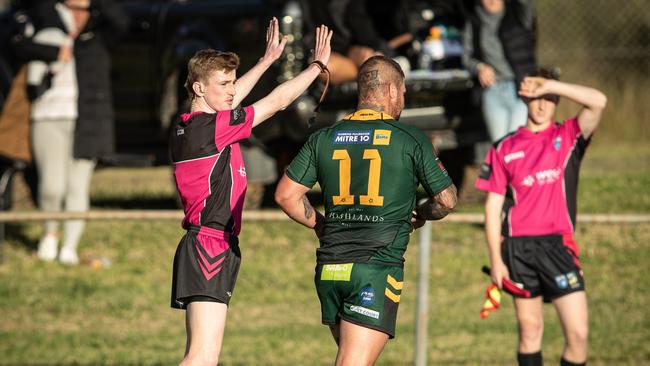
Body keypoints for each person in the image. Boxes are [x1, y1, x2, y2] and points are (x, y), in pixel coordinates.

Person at [275, 55, 457, 365]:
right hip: (374, 269)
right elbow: (446, 199)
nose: (402, 100)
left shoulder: (324, 138)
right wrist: (421, 215)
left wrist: (321, 226)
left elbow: (286, 196)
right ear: (390, 90)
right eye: (402, 92)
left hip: (331, 271)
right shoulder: (410, 139)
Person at [169, 19, 332, 365]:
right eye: (223, 84)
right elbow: (277, 101)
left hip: (209, 244)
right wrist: (317, 68)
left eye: (232, 83)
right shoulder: (212, 130)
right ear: (199, 88)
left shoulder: (190, 125)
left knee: (203, 357)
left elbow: (231, 99)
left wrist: (267, 60)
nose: (231, 90)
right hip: (209, 247)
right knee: (202, 358)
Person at [475, 68, 607, 366]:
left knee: (578, 335)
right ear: (523, 97)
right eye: (536, 97)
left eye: (549, 97)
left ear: (557, 98)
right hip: (518, 249)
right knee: (530, 330)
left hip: (558, 246)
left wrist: (551, 84)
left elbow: (598, 101)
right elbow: (492, 209)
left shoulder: (568, 135)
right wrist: (497, 260)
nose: (542, 104)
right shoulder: (504, 147)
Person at [11, 0, 128, 264]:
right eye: (71, 11)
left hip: (89, 123)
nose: (77, 17)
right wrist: (54, 53)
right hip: (47, 118)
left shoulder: (98, 39)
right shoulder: (43, 35)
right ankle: (50, 235)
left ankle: (69, 248)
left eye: (83, 12)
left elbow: (121, 21)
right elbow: (15, 44)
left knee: (78, 187)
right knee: (52, 185)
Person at [462, 0, 536, 142]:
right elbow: (467, 58)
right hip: (492, 90)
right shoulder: (474, 22)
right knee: (499, 146)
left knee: (517, 143)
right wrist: (479, 67)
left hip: (521, 89)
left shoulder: (519, 14)